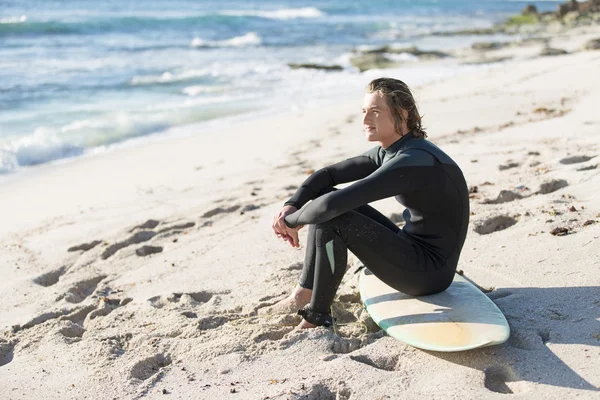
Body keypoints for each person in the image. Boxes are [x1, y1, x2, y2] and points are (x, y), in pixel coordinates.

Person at [271, 77, 470, 329]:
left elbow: (332, 206)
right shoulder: (395, 150)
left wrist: (290, 222)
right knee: (328, 202)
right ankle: (303, 294)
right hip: (413, 249)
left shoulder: (413, 161)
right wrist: (292, 205)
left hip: (428, 274)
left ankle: (316, 317)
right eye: (364, 112)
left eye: (375, 113)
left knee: (333, 216)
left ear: (402, 114)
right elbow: (327, 176)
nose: (365, 121)